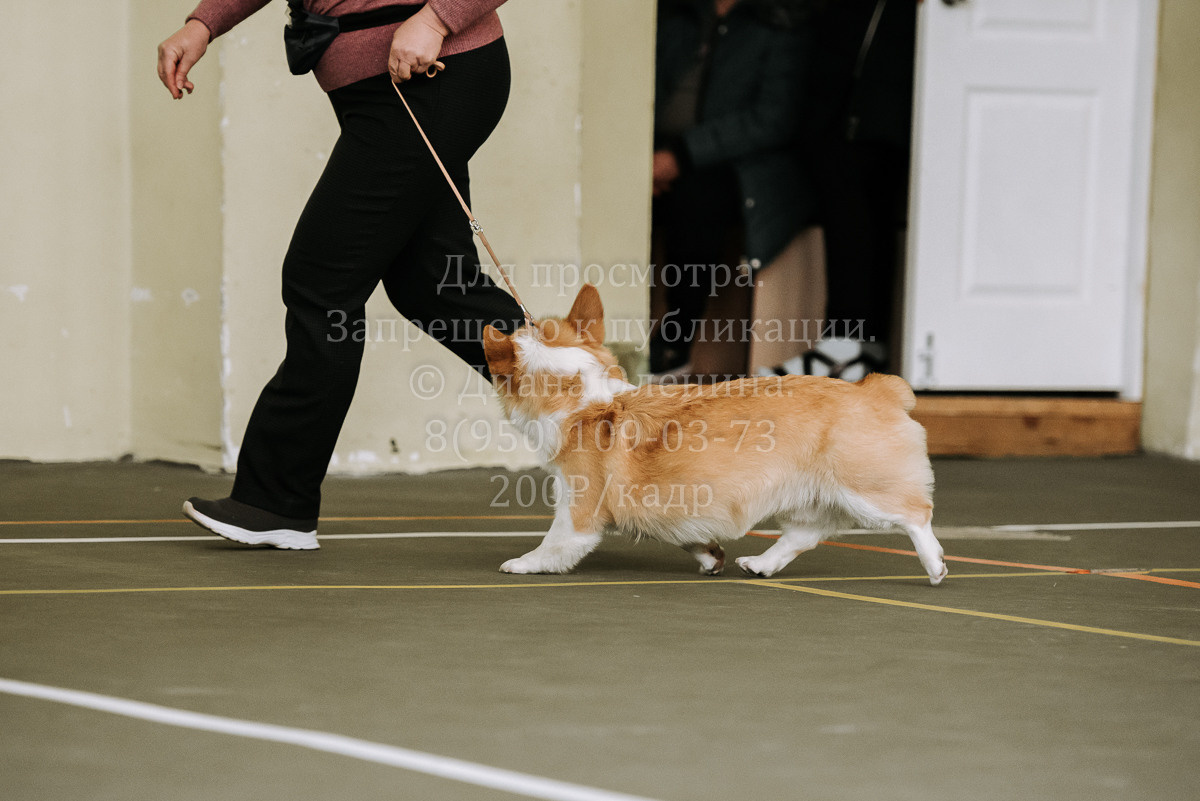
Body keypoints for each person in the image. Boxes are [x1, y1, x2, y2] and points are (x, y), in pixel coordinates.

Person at [156, 0, 523, 549]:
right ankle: (629, 440)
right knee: (436, 287)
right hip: (391, 90)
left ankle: (274, 501)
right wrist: (205, 22)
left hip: (429, 76)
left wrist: (436, 19)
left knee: (320, 280)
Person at [649, 0, 818, 381]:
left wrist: (681, 155)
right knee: (615, 197)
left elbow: (773, 120)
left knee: (698, 200)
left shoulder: (782, 22)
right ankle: (599, 339)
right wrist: (645, 158)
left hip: (739, 168)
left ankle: (673, 345)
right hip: (654, 156)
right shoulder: (679, 16)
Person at [801, 0, 917, 380]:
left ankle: (849, 350)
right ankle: (854, 351)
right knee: (861, 226)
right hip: (843, 104)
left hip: (874, 103)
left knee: (862, 226)